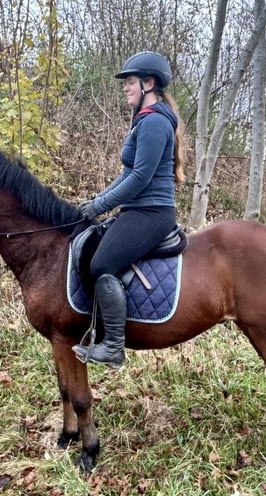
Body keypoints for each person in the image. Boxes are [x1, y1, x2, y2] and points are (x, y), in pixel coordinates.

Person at [73, 51, 186, 368]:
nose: (125, 87)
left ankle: (113, 347)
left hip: (152, 213)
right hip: (139, 210)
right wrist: (98, 199)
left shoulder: (153, 122)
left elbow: (140, 178)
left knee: (103, 264)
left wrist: (101, 204)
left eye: (131, 82)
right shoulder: (144, 121)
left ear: (149, 83)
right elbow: (127, 174)